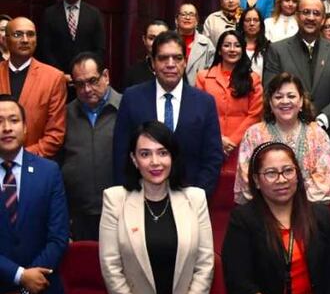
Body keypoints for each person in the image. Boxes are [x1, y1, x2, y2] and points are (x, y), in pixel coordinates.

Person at [99, 121, 220, 294]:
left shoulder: (195, 199)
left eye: (162, 153)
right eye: (145, 154)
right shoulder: (115, 200)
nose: (155, 162)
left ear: (172, 157)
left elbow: (205, 265)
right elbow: (111, 269)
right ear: (134, 159)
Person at [216, 142, 330, 294]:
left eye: (288, 170)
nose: (281, 179)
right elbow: (242, 287)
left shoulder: (320, 216)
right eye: (271, 173)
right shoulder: (243, 220)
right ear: (256, 180)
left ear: (297, 175)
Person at [0, 95, 69, 294]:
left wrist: (24, 293)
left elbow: (58, 238)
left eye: (13, 120)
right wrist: (19, 275)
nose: (7, 127)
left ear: (26, 128)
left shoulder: (49, 172)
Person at [113, 31, 224, 194]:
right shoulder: (132, 98)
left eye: (177, 58)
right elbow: (121, 152)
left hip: (189, 195)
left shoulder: (204, 103)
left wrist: (196, 197)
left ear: (185, 62)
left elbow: (212, 158)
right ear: (152, 62)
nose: (171, 64)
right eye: (163, 58)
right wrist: (131, 194)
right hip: (141, 195)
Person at [264, 0, 330, 151]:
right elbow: (270, 91)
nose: (311, 17)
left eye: (316, 13)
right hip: (286, 135)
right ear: (297, 16)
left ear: (323, 19)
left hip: (328, 134)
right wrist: (296, 120)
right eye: (306, 12)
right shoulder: (277, 50)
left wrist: (321, 120)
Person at [235, 73, 330, 205]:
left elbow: (325, 181)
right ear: (270, 102)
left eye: (291, 96)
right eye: (278, 97)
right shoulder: (254, 134)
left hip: (308, 209)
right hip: (263, 210)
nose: (285, 101)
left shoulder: (317, 135)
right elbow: (247, 180)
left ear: (301, 101)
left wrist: (290, 203)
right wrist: (276, 202)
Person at [62, 52, 120, 241]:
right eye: (79, 84)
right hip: (78, 215)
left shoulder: (126, 107)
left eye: (93, 81)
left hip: (121, 211)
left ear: (106, 76)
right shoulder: (65, 114)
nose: (87, 89)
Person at [0, 17, 67, 157]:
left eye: (30, 34)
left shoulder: (53, 78)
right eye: (18, 34)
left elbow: (55, 134)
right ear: (5, 40)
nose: (25, 40)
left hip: (35, 162)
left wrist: (21, 159)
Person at [196, 30, 263, 165]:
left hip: (243, 145)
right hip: (210, 143)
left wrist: (232, 141)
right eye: (227, 45)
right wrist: (218, 139)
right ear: (219, 51)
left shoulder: (253, 79)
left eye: (237, 46)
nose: (232, 49)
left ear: (242, 50)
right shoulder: (203, 77)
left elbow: (255, 114)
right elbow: (198, 113)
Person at [38, 0, 106, 79]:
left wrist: (88, 73)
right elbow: (45, 49)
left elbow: (99, 48)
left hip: (86, 77)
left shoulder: (94, 14)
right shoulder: (49, 14)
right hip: (57, 76)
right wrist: (59, 74)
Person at [174, 4, 214, 85]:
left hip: (198, 88)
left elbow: (212, 72)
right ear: (176, 20)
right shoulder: (166, 41)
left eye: (191, 15)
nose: (187, 18)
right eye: (183, 14)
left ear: (197, 21)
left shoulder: (207, 43)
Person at [124, 20, 169, 88]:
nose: (157, 42)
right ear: (144, 40)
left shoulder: (177, 69)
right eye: (151, 38)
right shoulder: (133, 73)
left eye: (162, 38)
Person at [238, 7, 268, 78]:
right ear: (242, 23)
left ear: (261, 24)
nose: (252, 23)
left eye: (256, 20)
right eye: (248, 20)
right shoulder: (235, 45)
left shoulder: (268, 47)